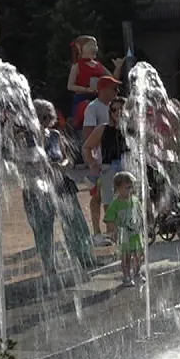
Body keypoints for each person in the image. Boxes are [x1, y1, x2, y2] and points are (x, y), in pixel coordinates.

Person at [23, 99, 94, 275]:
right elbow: (21, 162)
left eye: (48, 116)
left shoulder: (55, 135)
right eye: (41, 117)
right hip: (36, 188)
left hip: (61, 183)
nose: (45, 120)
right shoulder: (25, 137)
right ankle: (48, 266)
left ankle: (84, 258)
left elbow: (66, 157)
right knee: (43, 228)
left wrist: (63, 164)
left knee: (75, 222)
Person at [82, 75, 122, 244]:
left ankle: (116, 231)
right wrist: (92, 163)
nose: (116, 91)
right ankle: (99, 232)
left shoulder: (117, 106)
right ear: (104, 89)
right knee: (99, 198)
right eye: (114, 88)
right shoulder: (93, 108)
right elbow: (88, 136)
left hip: (118, 160)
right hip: (103, 160)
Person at [66, 35, 121, 127]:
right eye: (90, 45)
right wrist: (86, 89)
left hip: (99, 99)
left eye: (95, 45)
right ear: (80, 48)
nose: (94, 48)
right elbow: (70, 86)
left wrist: (118, 68)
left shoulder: (98, 65)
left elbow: (112, 80)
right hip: (82, 99)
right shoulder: (77, 66)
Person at [104, 171, 144, 287]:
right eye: (127, 188)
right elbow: (110, 219)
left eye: (131, 187)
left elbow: (140, 214)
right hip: (123, 235)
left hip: (136, 234)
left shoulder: (135, 200)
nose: (129, 190)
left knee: (139, 255)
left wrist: (143, 225)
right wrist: (112, 232)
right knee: (126, 257)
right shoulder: (115, 204)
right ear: (118, 188)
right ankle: (126, 276)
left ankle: (137, 273)